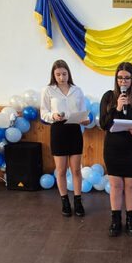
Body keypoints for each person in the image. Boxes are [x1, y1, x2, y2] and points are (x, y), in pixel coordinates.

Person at [99, 62, 132, 237]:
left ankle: (130, 219)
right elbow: (104, 124)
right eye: (120, 78)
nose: (123, 81)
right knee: (115, 185)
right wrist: (117, 108)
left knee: (131, 185)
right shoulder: (108, 97)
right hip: (113, 149)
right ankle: (115, 220)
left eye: (127, 78)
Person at [40, 60, 90, 217]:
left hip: (74, 129)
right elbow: (43, 113)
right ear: (53, 75)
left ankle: (78, 201)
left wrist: (85, 120)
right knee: (61, 170)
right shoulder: (48, 90)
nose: (61, 77)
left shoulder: (77, 90)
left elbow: (83, 112)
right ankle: (65, 201)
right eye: (58, 75)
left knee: (76, 169)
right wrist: (53, 116)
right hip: (58, 130)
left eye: (64, 74)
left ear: (69, 73)